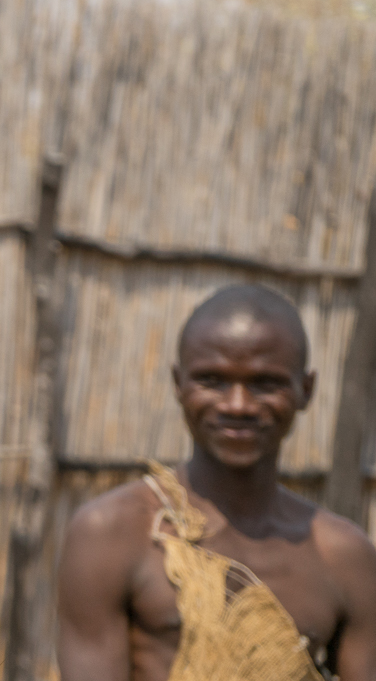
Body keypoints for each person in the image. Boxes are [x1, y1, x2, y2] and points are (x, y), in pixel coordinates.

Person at [57, 284, 376, 680]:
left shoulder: (345, 557)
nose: (237, 405)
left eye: (265, 383)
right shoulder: (113, 533)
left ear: (305, 390)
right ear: (178, 383)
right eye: (212, 380)